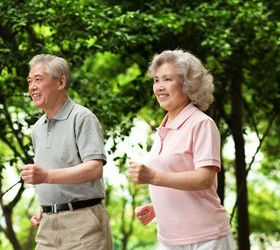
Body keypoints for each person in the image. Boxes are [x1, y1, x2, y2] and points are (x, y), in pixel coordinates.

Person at [128, 49, 235, 250]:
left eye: (167, 79)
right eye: (156, 80)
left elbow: (204, 179)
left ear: (188, 85)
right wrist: (158, 207)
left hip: (207, 239)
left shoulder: (201, 124)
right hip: (169, 240)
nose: (159, 87)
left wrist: (152, 177)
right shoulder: (164, 127)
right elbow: (177, 175)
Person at [21, 54, 112, 250]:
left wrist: (45, 176)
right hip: (47, 226)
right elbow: (55, 175)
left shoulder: (83, 118)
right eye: (29, 81)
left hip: (83, 224)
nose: (32, 87)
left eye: (38, 79)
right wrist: (48, 206)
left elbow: (95, 169)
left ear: (60, 82)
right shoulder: (37, 129)